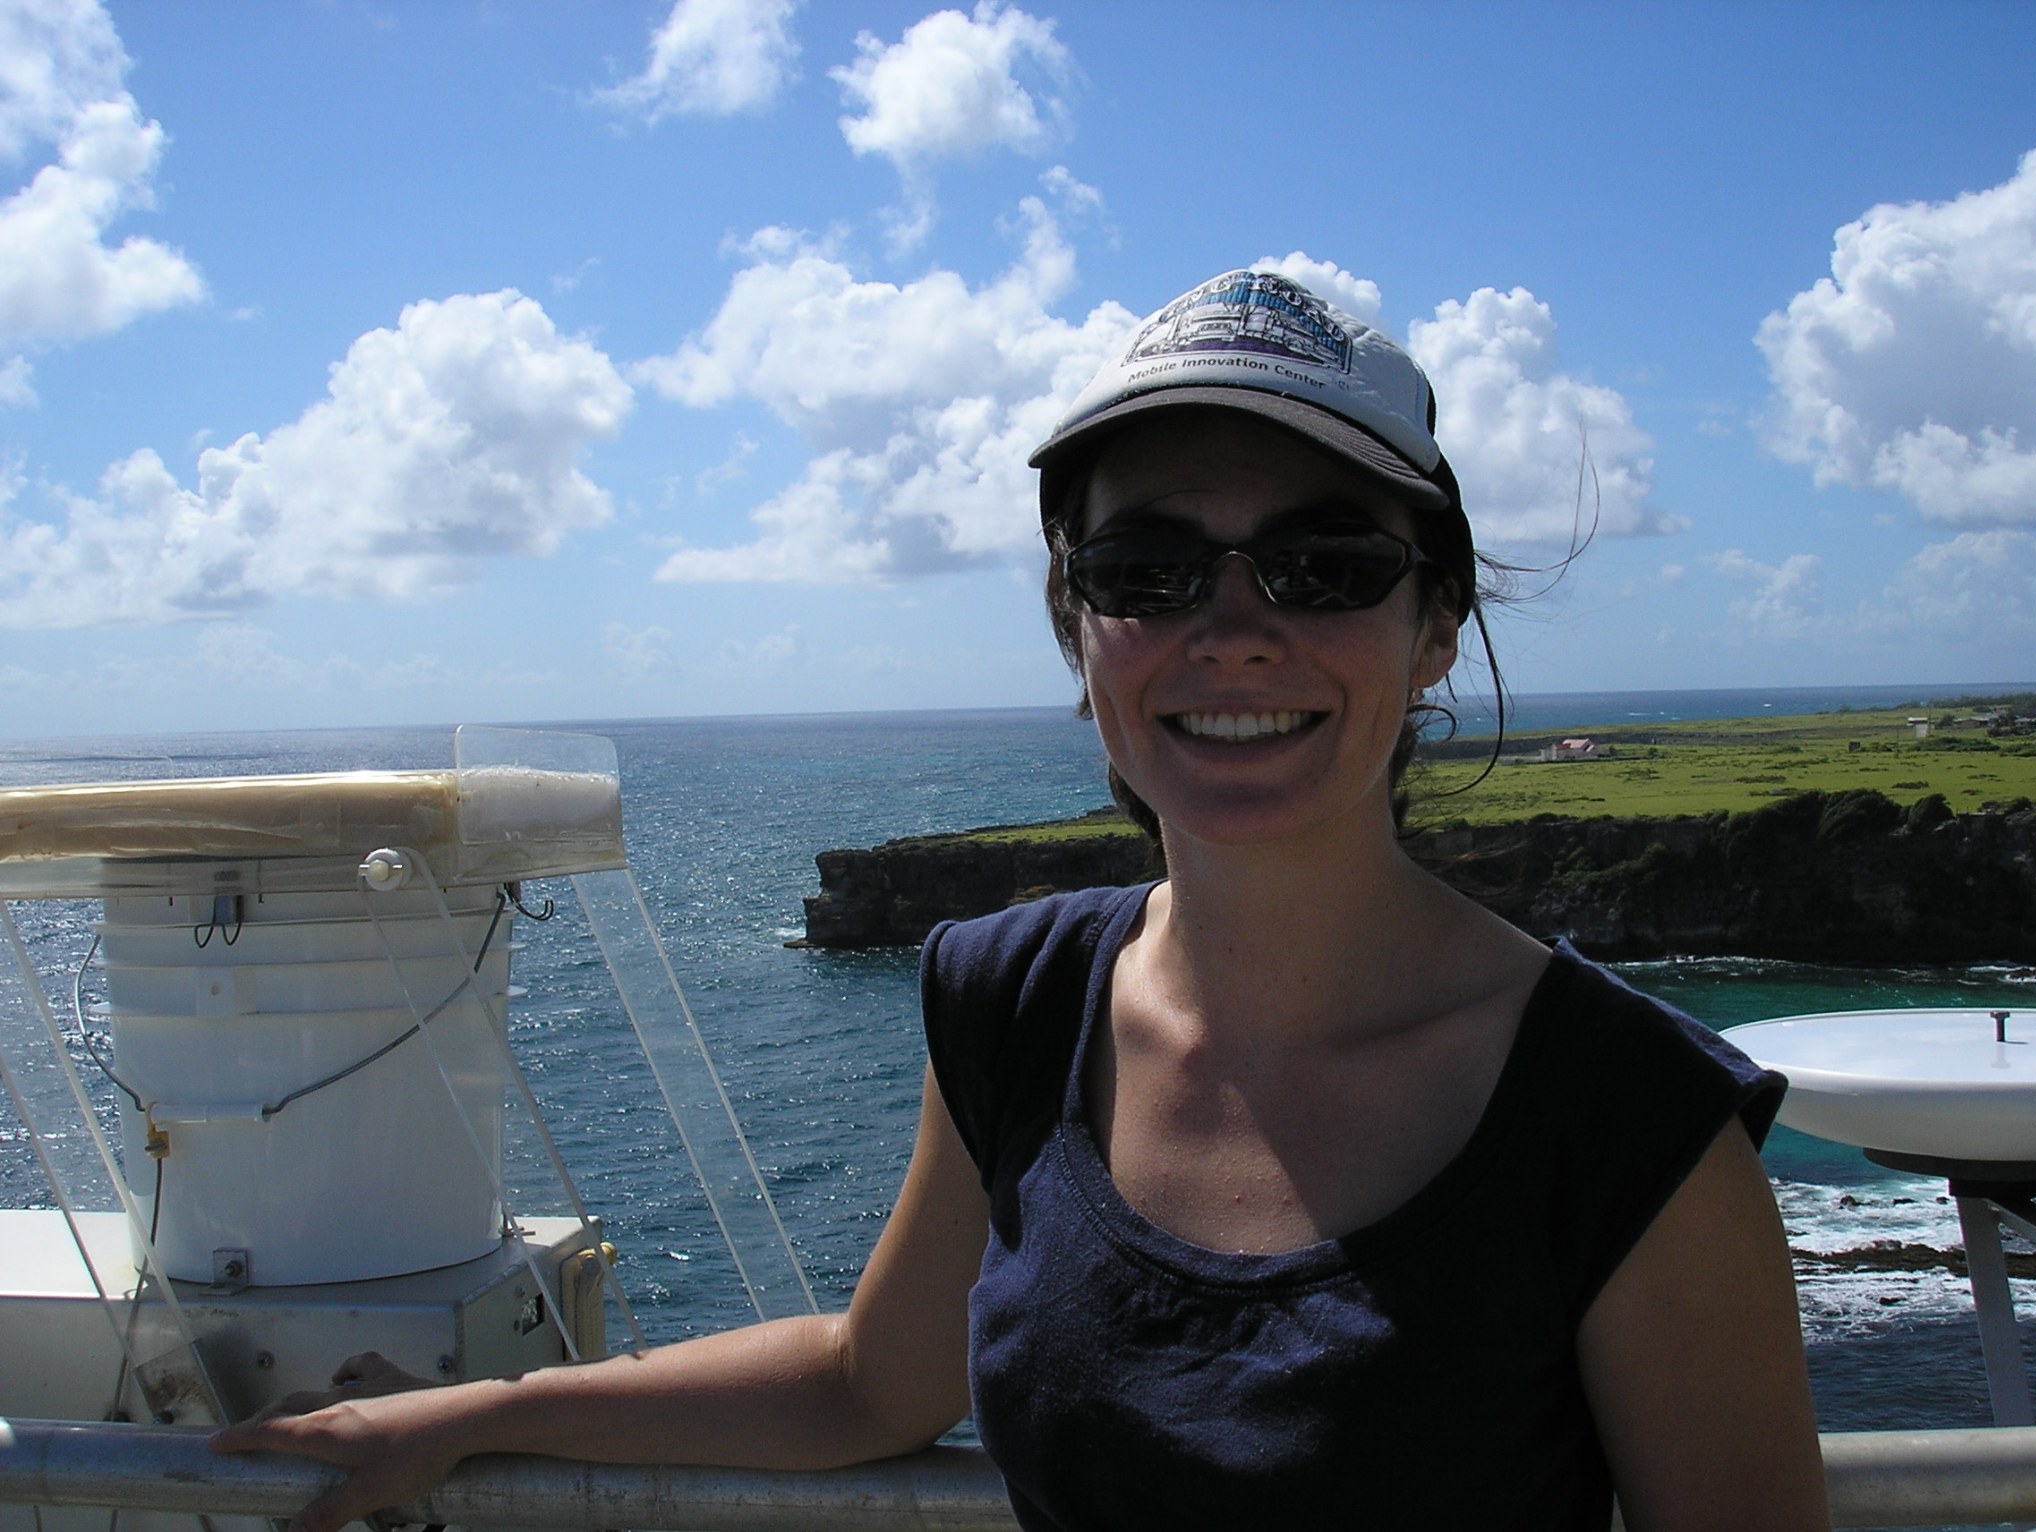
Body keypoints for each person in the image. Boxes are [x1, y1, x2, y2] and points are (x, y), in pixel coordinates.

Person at [213, 270, 1829, 1531]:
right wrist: (470, 1414)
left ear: (1433, 630)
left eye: (1325, 564)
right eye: (1149, 571)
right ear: (1080, 637)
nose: (1236, 626)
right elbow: (867, 1382)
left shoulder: (1626, 1123)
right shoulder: (1013, 996)